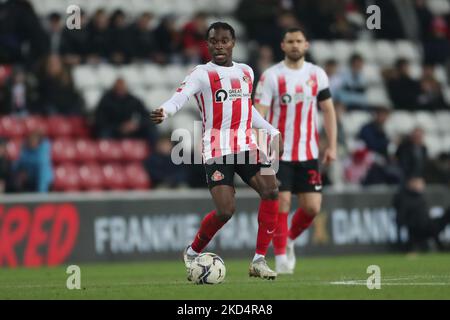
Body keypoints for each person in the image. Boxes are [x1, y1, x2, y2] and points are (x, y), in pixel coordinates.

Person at [151, 22, 283, 280]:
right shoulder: (201, 73)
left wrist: (271, 130)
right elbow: (180, 96)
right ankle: (192, 250)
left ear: (233, 43)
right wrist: (165, 111)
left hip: (246, 145)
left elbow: (247, 109)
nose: (219, 45)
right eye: (213, 41)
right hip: (217, 148)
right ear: (207, 44)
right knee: (225, 211)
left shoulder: (246, 71)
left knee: (271, 190)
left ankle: (258, 260)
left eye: (224, 40)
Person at [254, 28, 337, 274]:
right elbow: (259, 113)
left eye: (299, 41)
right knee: (282, 203)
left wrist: (331, 145)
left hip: (308, 152)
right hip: (279, 154)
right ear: (283, 45)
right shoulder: (271, 76)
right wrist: (260, 147)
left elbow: (328, 110)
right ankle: (280, 258)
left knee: (312, 208)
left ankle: (288, 239)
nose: (294, 45)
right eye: (290, 41)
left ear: (306, 45)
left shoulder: (317, 74)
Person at [94, 77, 157, 148]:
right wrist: (119, 127)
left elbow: (147, 116)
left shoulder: (132, 100)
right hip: (113, 129)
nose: (121, 89)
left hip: (130, 130)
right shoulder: (106, 100)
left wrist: (136, 125)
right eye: (118, 87)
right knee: (104, 133)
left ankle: (152, 154)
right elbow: (100, 120)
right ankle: (106, 154)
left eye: (122, 87)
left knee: (151, 129)